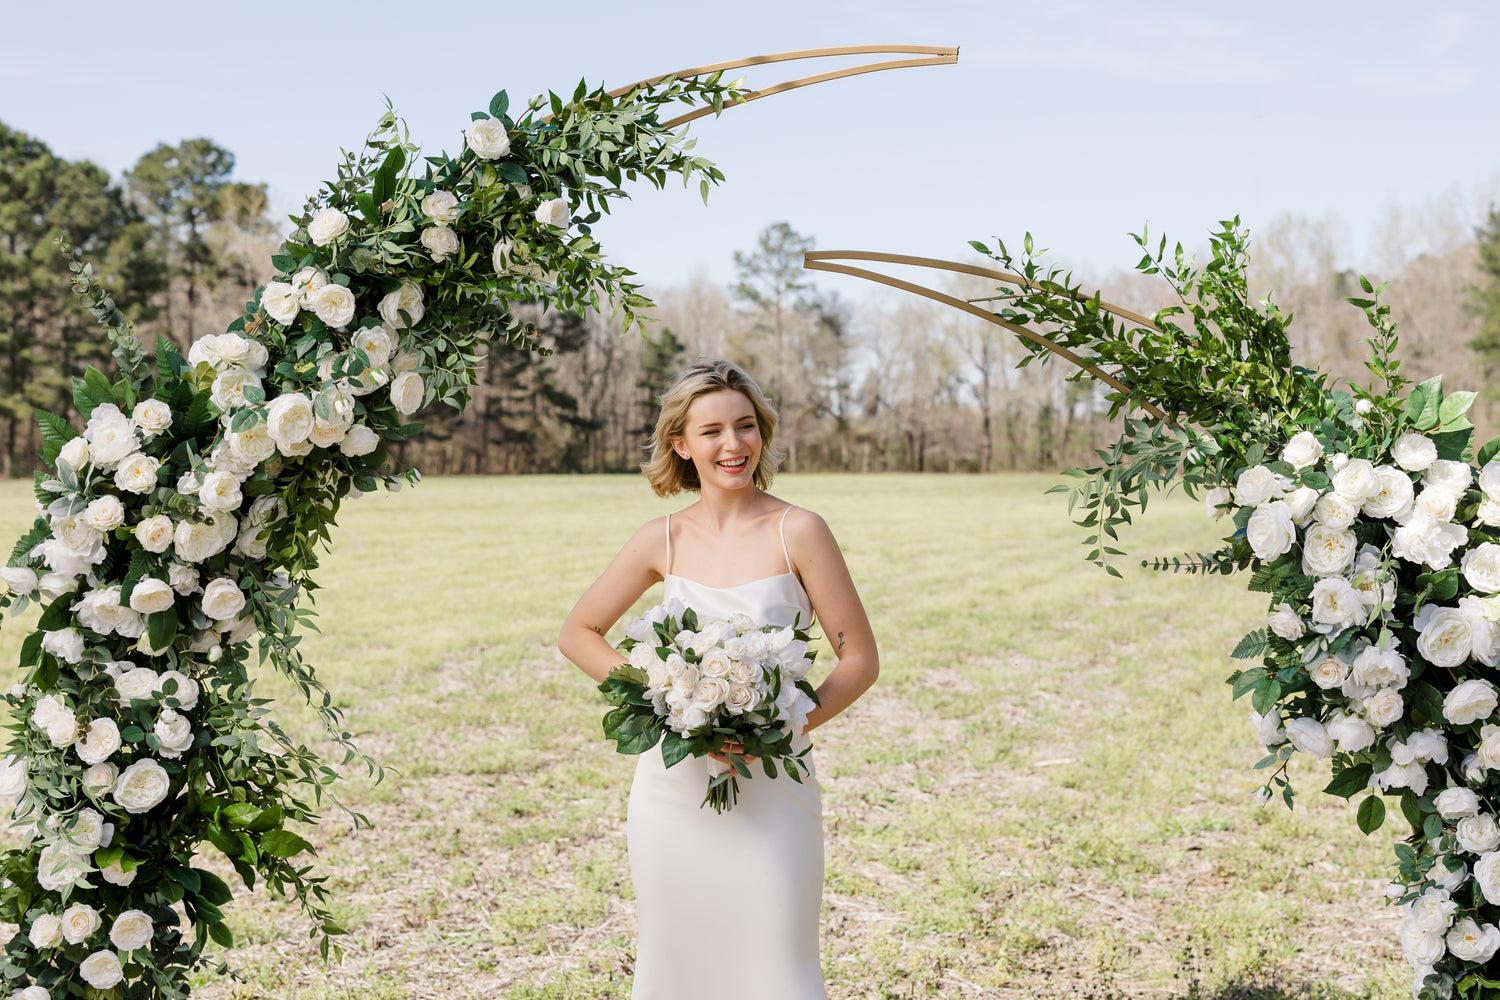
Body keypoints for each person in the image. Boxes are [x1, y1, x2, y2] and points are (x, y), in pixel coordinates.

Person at [558, 358, 879, 999]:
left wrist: (772, 727)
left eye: (745, 426)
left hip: (774, 789)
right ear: (680, 443)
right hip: (671, 795)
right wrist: (666, 701)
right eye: (711, 431)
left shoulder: (801, 531)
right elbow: (578, 633)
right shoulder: (662, 539)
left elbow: (859, 661)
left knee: (778, 966)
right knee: (677, 966)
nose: (732, 445)